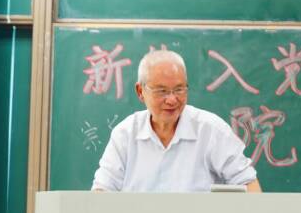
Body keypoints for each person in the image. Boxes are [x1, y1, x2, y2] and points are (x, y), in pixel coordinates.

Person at [92, 49, 262, 193]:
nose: (172, 99)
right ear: (140, 91)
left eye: (179, 89)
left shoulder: (211, 130)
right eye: (162, 91)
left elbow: (249, 185)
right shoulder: (125, 134)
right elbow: (102, 191)